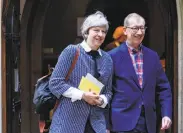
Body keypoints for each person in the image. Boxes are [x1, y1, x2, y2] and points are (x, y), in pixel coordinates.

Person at [48, 11, 113, 133]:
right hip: (68, 124)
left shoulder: (107, 59)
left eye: (103, 31)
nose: (100, 34)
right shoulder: (71, 51)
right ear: (87, 32)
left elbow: (108, 92)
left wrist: (102, 100)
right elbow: (55, 83)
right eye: (96, 30)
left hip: (96, 126)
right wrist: (83, 95)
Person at [108, 13, 172, 133]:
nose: (139, 32)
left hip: (148, 123)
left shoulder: (152, 56)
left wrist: (166, 114)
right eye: (135, 28)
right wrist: (105, 125)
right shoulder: (112, 57)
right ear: (125, 31)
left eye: (142, 28)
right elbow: (106, 91)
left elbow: (164, 88)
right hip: (121, 122)